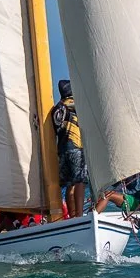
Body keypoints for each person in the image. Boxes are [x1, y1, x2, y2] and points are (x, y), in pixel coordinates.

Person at [49, 78, 87, 218]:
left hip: (61, 150)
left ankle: (72, 215)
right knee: (80, 181)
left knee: (70, 183)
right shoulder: (77, 104)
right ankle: (79, 215)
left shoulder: (57, 108)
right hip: (76, 147)